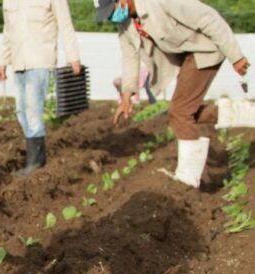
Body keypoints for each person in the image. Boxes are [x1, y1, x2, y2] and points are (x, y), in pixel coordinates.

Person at [95, 0, 252, 188]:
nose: (113, 17)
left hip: (205, 50)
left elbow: (208, 17)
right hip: (187, 57)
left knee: (179, 112)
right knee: (187, 112)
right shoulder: (126, 24)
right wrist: (127, 95)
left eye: (112, 10)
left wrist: (236, 56)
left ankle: (188, 178)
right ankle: (247, 113)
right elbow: (130, 56)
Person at [0, 0, 82, 176]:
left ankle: (36, 163)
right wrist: (3, 61)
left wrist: (72, 56)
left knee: (32, 110)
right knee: (21, 111)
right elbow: (8, 31)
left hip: (41, 59)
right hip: (18, 61)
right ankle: (34, 159)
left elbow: (65, 24)